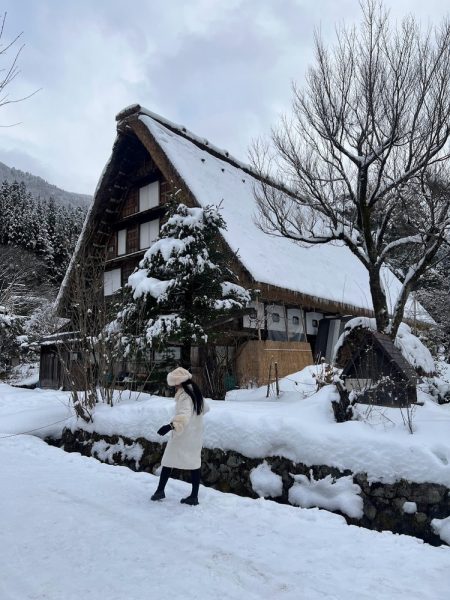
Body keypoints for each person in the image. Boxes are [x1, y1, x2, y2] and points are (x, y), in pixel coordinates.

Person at [151, 367, 209, 506]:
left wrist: (170, 426)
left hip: (183, 434)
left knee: (168, 460)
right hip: (195, 434)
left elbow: (184, 415)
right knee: (195, 463)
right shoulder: (195, 392)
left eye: (175, 384)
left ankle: (160, 491)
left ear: (179, 382)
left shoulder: (184, 395)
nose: (174, 386)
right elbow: (206, 408)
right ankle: (194, 496)